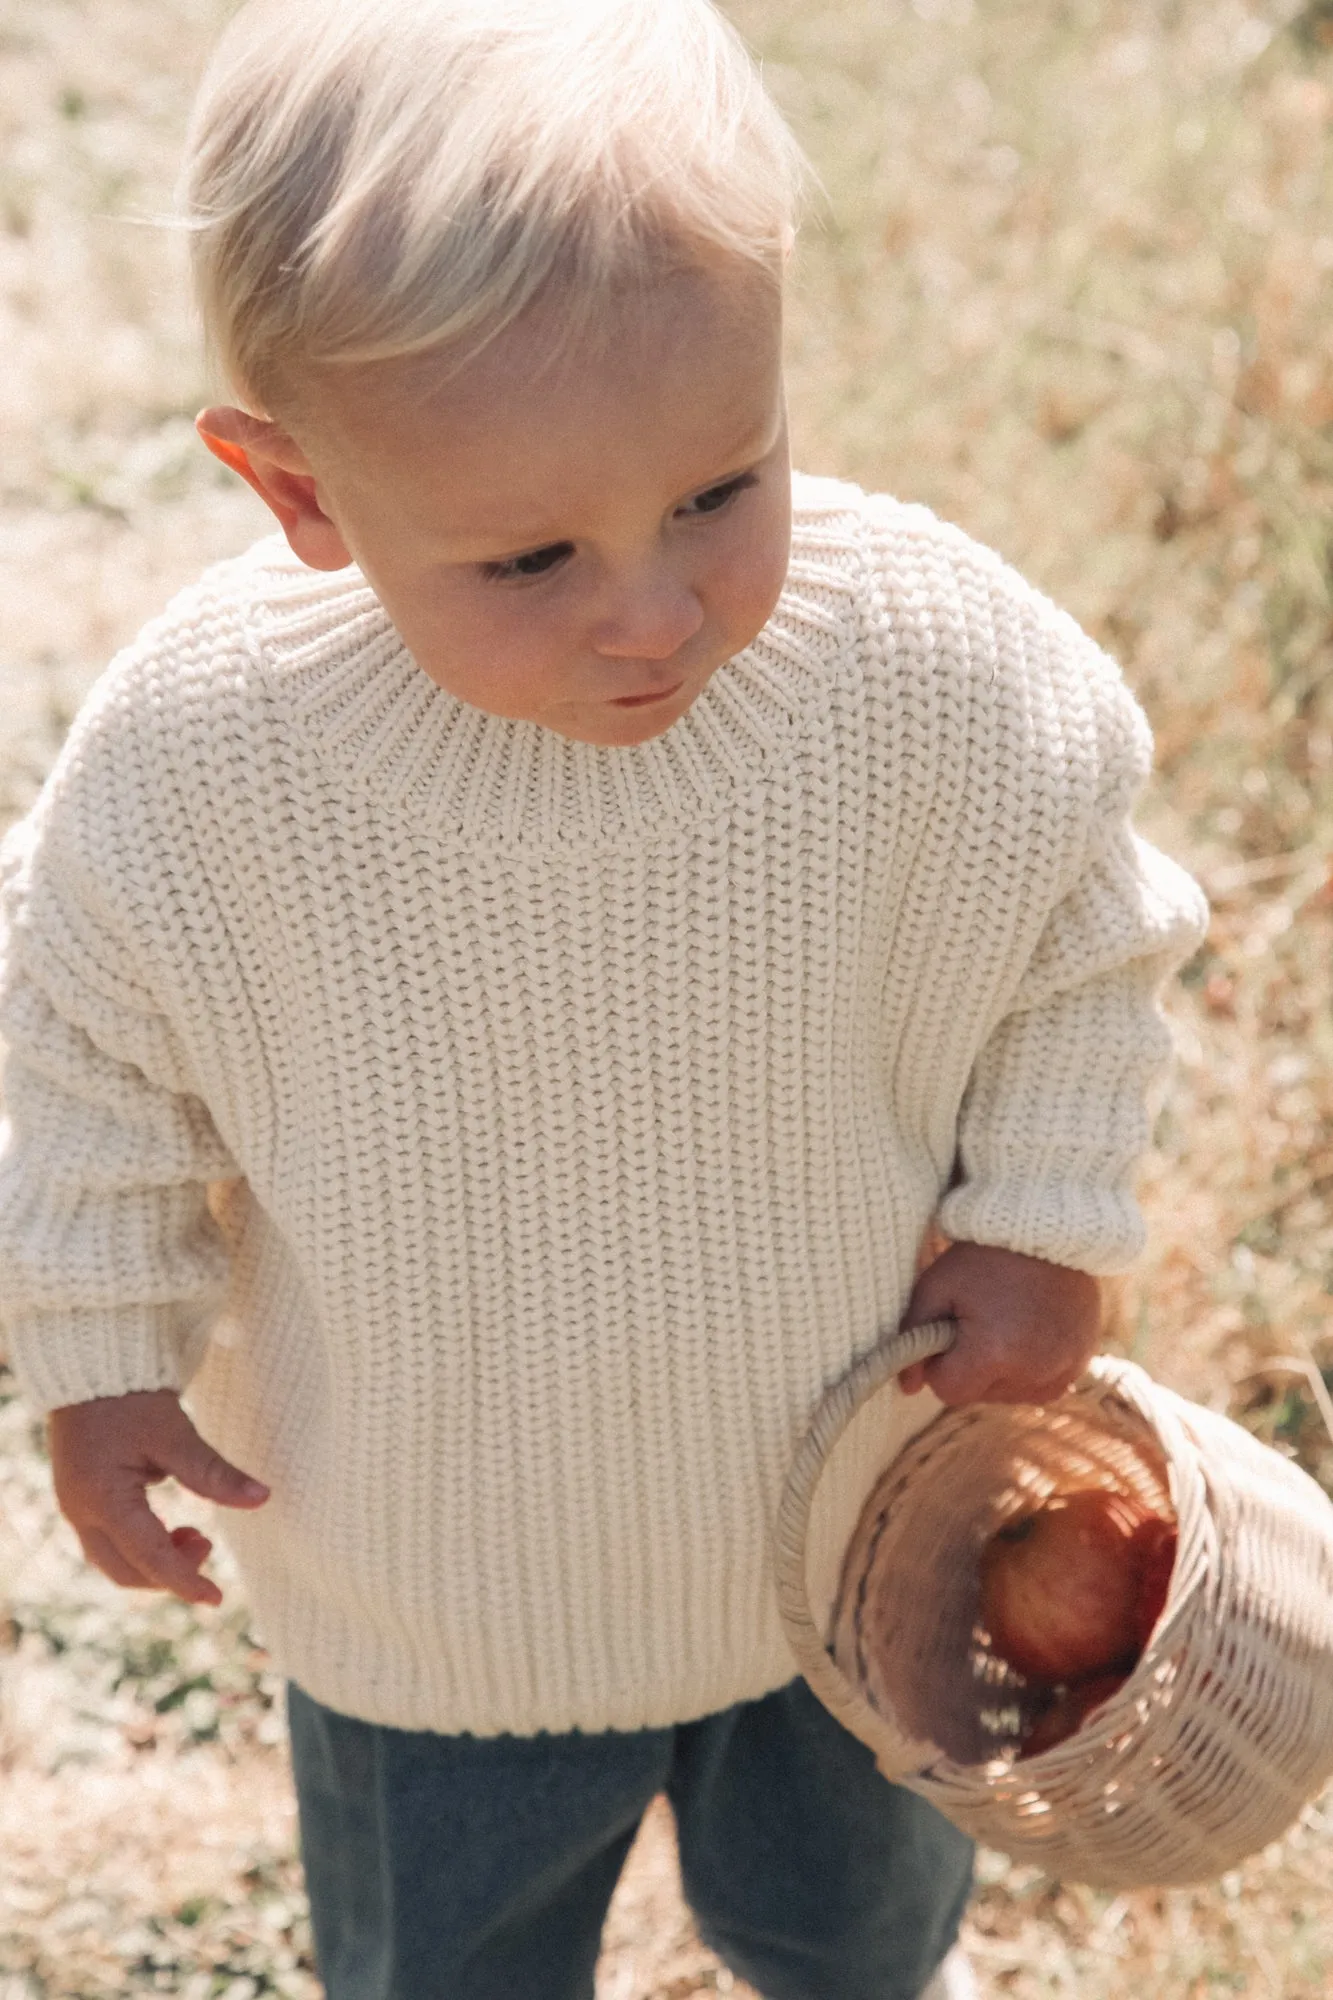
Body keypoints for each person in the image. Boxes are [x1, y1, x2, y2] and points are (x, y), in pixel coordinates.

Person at [0, 2, 1208, 1995]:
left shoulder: (926, 675)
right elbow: (90, 1041)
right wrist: (102, 1344)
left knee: (852, 1936)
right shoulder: (204, 766)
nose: (653, 614)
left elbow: (1082, 923)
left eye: (723, 490)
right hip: (437, 1578)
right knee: (451, 1960)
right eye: (534, 553)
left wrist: (1046, 1216)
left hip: (852, 1515)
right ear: (297, 492)